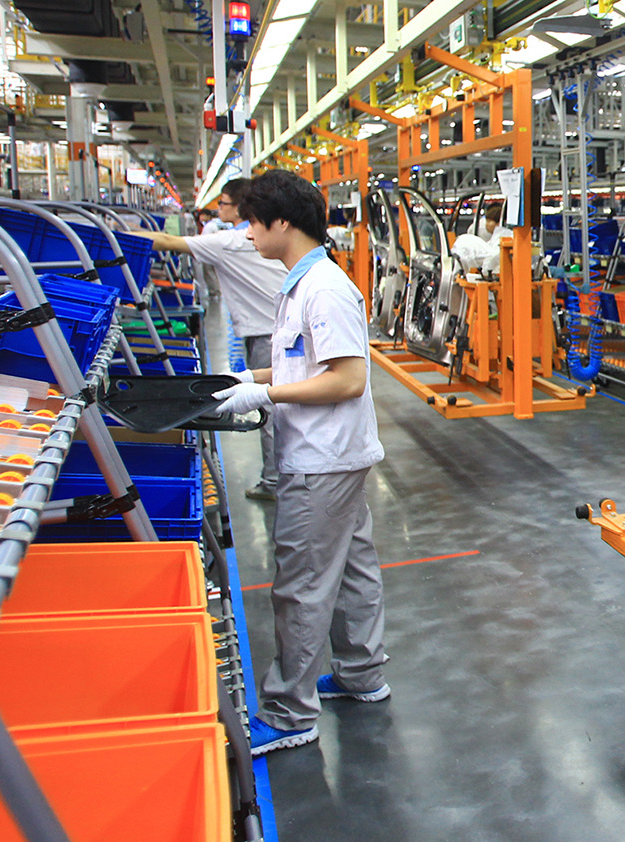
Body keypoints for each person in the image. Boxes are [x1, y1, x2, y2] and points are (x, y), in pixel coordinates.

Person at [212, 169, 390, 756]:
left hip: (322, 460)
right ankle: (362, 674)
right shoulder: (301, 283)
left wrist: (264, 396)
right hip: (332, 455)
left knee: (302, 583)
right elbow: (304, 365)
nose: (245, 233)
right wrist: (250, 377)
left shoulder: (324, 289)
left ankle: (290, 713)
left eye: (251, 221)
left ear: (281, 222)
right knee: (353, 567)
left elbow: (346, 379)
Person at [144, 178, 284, 500]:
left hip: (267, 335)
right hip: (268, 331)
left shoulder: (231, 241)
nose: (217, 210)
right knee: (276, 406)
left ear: (239, 207)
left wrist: (110, 236)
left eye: (221, 204)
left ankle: (276, 481)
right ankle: (280, 478)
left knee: (271, 410)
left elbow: (166, 241)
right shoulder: (247, 241)